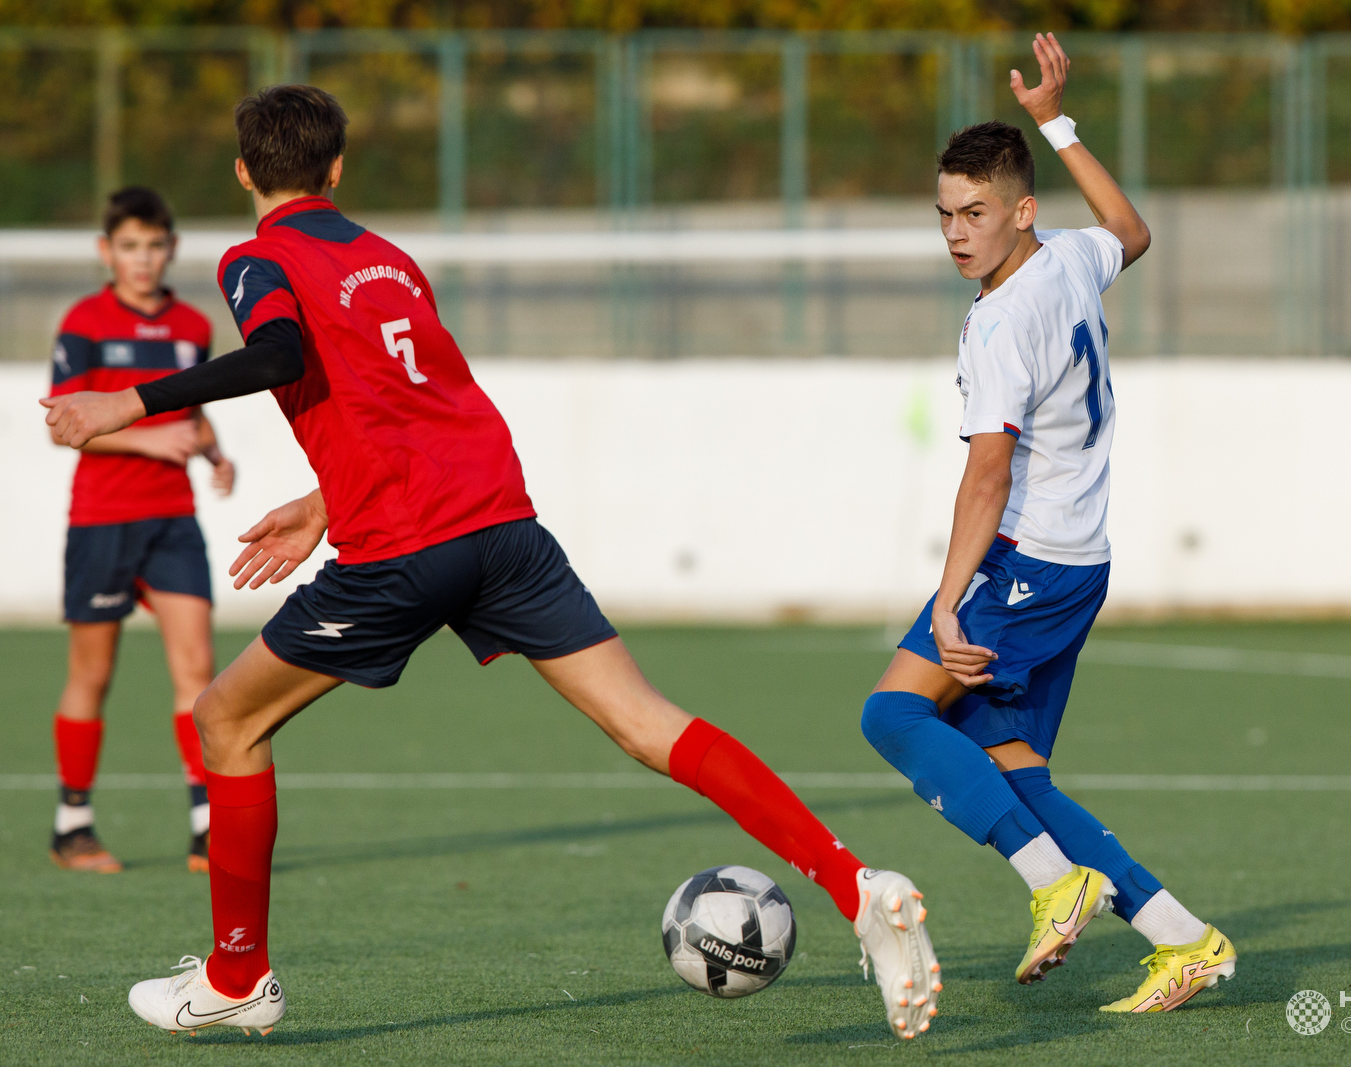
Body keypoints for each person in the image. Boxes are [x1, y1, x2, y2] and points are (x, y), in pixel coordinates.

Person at [42, 84, 939, 1041]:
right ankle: (854, 881)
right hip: (501, 523)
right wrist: (320, 503)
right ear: (339, 169)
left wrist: (125, 405)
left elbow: (276, 353)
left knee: (225, 718)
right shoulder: (387, 259)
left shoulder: (256, 255)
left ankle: (237, 975)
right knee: (648, 724)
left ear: (242, 172)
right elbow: (418, 401)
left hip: (408, 545)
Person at [858, 34, 1237, 1013]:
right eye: (944, 214)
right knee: (1013, 769)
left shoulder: (999, 322)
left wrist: (947, 604)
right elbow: (1132, 228)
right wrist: (1055, 121)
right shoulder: (1068, 257)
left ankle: (1051, 881)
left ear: (1018, 213)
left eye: (975, 213)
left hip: (1026, 561)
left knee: (893, 713)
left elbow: (985, 475)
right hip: (1080, 561)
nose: (955, 233)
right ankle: (1183, 940)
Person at [47, 187, 236, 875]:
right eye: (129, 246)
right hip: (103, 520)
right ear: (107, 252)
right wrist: (150, 444)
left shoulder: (191, 324)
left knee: (197, 671)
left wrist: (214, 452)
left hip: (174, 524)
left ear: (172, 249)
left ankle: (207, 826)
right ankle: (73, 824)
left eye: (154, 245)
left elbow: (194, 407)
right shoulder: (84, 321)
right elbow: (67, 424)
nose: (143, 258)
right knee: (92, 674)